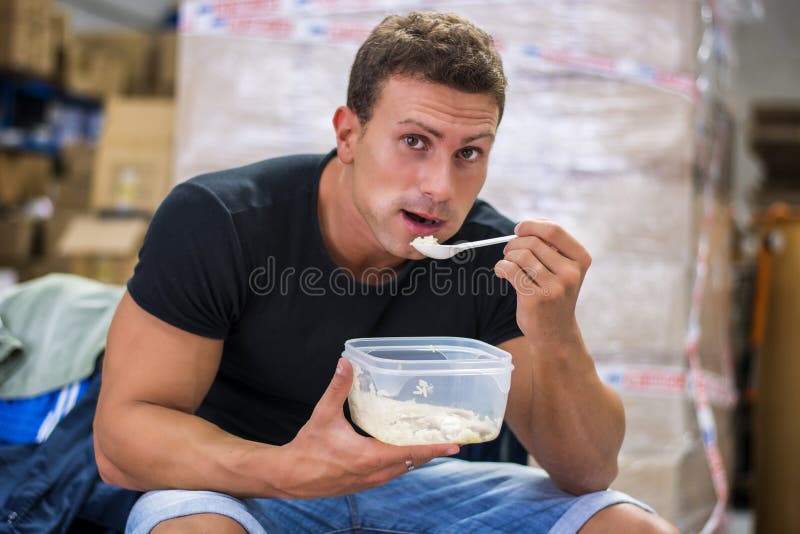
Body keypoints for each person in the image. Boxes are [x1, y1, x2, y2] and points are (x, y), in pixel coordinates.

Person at [94, 11, 678, 534]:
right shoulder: (220, 221)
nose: (441, 189)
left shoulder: (490, 253)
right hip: (244, 486)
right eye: (415, 141)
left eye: (469, 152)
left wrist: (558, 333)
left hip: (427, 489)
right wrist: (285, 469)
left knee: (627, 525)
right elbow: (121, 439)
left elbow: (589, 470)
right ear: (349, 134)